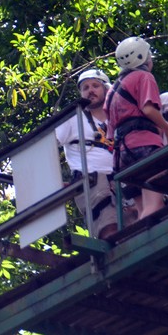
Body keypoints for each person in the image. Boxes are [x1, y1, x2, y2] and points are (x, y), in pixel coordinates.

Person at [104, 37, 168, 220]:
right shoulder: (144, 77)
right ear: (142, 57)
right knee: (155, 202)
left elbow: (110, 132)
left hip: (122, 155)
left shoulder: (112, 91)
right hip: (144, 145)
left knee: (142, 208)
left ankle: (140, 237)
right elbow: (148, 109)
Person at [53, 68, 118, 238]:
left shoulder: (117, 118)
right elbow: (48, 146)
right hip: (93, 181)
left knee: (134, 220)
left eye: (95, 86)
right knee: (108, 224)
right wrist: (54, 182)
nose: (90, 90)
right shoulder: (73, 119)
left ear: (106, 89)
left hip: (120, 178)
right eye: (85, 87)